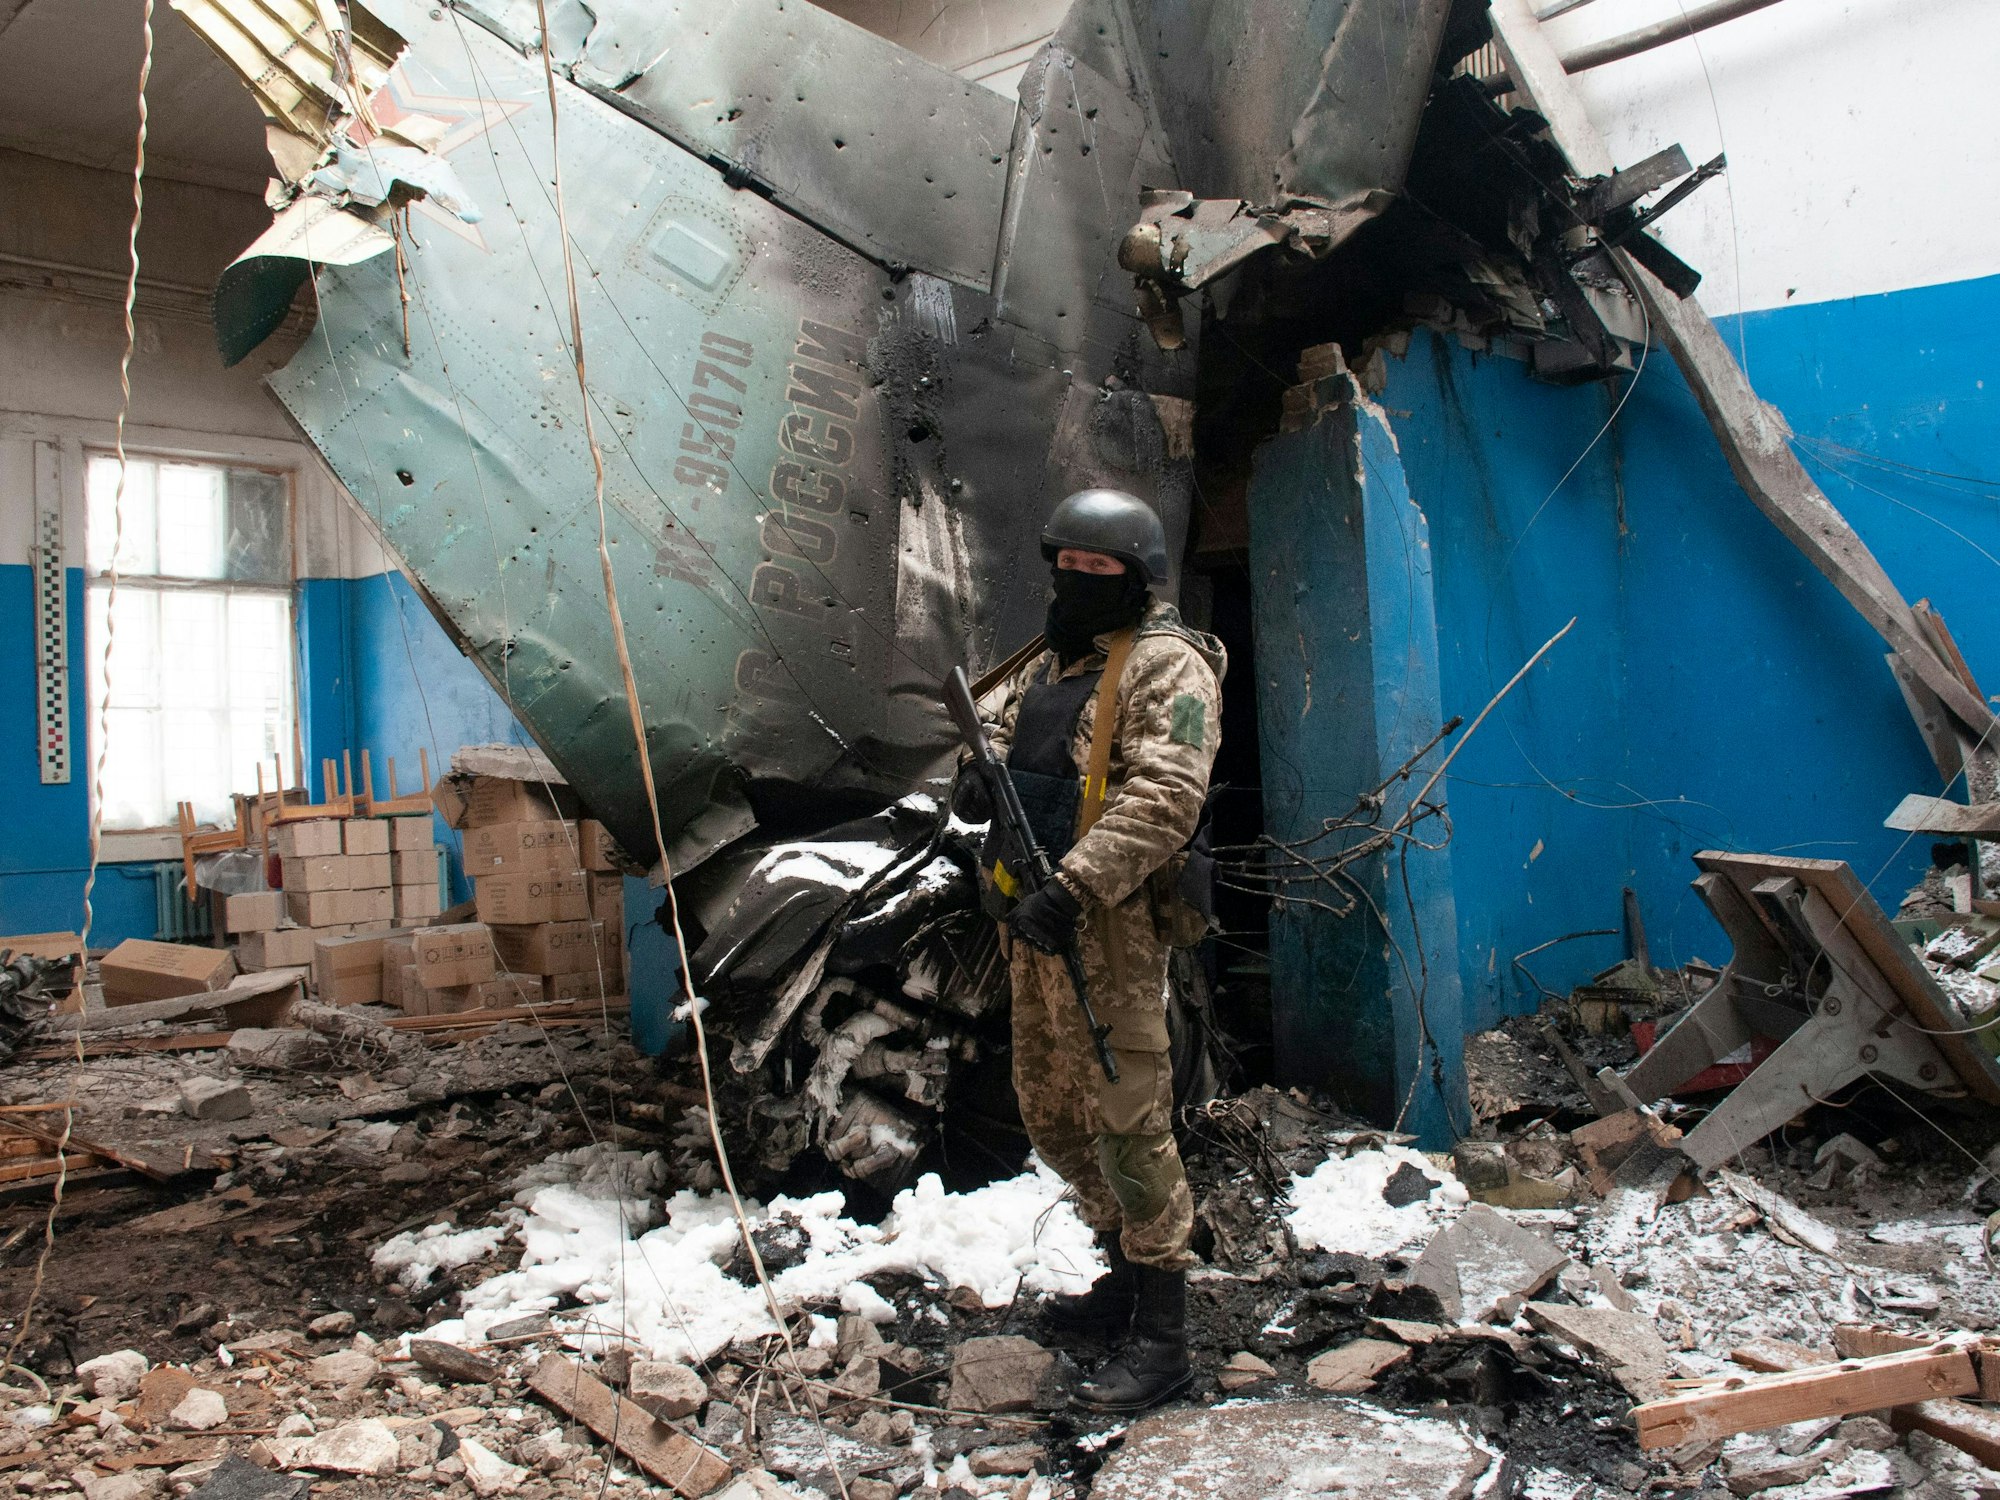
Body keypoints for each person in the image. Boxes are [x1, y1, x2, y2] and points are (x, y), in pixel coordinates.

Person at [957, 488, 1225, 1411]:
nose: (1076, 581)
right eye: (1064, 564)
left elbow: (1164, 798)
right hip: (1030, 916)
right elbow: (1001, 725)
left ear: (1137, 576)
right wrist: (975, 775)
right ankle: (1121, 1272)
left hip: (1104, 921)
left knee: (1128, 1120)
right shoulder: (1051, 656)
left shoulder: (1167, 667)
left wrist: (1071, 888)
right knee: (1052, 1111)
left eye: (1097, 569)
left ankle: (1165, 1334)